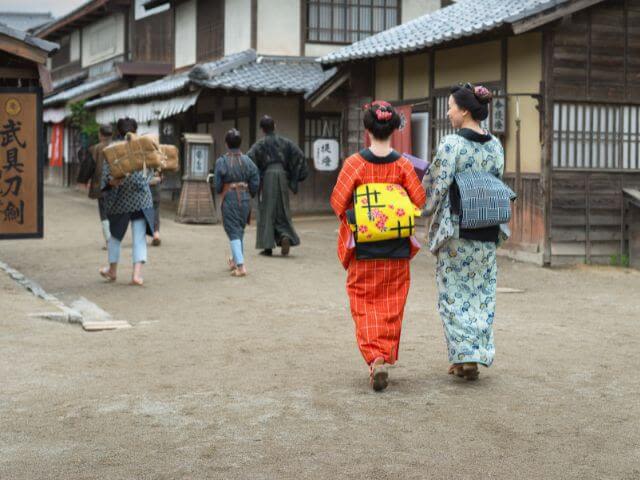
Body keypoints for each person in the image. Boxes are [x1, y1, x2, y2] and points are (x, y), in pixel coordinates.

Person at [330, 101, 426, 391]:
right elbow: (419, 200)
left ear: (367, 128)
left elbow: (337, 203)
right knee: (391, 303)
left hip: (365, 248)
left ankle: (374, 357)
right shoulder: (403, 164)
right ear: (394, 128)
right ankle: (384, 353)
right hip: (396, 249)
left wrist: (363, 209)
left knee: (363, 302)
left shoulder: (354, 164)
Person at [422, 83, 507, 381]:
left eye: (451, 107)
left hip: (457, 228)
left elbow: (435, 185)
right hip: (486, 226)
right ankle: (475, 353)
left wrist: (421, 206)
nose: (448, 112)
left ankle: (464, 357)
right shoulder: (495, 146)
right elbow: (497, 180)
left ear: (465, 110)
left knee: (453, 293)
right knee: (481, 292)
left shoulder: (452, 145)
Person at [99, 118, 154, 286]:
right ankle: (136, 275)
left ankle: (112, 270)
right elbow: (148, 175)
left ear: (118, 131)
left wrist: (113, 183)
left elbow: (106, 181)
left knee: (115, 237)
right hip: (141, 199)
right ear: (135, 131)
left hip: (120, 200)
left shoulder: (112, 151)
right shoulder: (143, 149)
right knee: (139, 238)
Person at [247, 115, 308, 257]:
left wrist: (257, 175)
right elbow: (299, 155)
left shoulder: (260, 144)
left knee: (267, 211)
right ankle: (284, 235)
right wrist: (293, 176)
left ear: (262, 129)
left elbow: (249, 158)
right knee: (282, 210)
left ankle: (267, 247)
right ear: (274, 126)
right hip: (282, 177)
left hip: (268, 177)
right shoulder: (286, 143)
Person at [214, 129, 260, 277]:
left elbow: (217, 184)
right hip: (245, 197)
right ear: (240, 143)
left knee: (233, 230)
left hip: (230, 197)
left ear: (226, 144)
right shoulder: (248, 161)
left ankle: (241, 266)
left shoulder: (222, 161)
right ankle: (234, 261)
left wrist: (221, 190)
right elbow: (255, 179)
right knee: (239, 229)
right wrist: (250, 192)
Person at [81, 125, 113, 250]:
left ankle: (109, 240)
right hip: (117, 184)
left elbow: (88, 167)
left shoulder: (95, 149)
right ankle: (115, 239)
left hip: (101, 185)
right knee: (115, 212)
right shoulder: (118, 146)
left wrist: (84, 180)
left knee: (104, 213)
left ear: (100, 134)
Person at [149, 170, 162, 246]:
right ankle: (156, 235)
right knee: (156, 212)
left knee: (142, 213)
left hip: (145, 188)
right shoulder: (158, 160)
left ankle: (140, 236)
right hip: (156, 188)